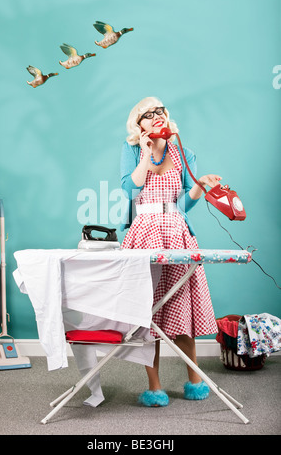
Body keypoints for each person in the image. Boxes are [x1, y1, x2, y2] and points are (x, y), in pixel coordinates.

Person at [120, 96, 221, 407]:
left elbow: (183, 203)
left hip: (176, 229)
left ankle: (195, 380)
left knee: (180, 304)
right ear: (139, 124)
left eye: (159, 111)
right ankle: (154, 386)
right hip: (145, 230)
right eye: (147, 114)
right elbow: (129, 189)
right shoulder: (133, 149)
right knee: (147, 312)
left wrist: (200, 187)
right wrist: (147, 151)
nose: (155, 116)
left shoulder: (181, 151)